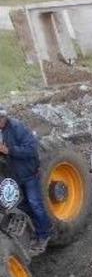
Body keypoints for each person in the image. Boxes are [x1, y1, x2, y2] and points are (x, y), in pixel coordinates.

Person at [0, 106, 53, 255]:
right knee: (23, 206)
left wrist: (9, 151)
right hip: (13, 176)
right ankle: (38, 230)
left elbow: (31, 149)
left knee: (35, 204)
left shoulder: (17, 128)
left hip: (29, 174)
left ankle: (45, 234)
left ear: (3, 118)